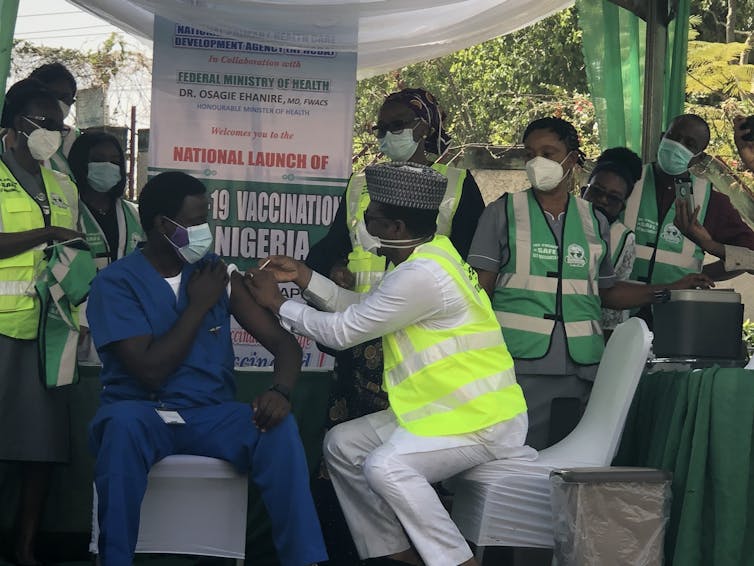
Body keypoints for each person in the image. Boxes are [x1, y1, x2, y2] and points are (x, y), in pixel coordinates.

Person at [245, 162, 533, 566]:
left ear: (395, 228)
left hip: (481, 421)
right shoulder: (430, 256)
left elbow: (343, 332)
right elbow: (364, 309)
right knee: (343, 445)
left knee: (388, 467)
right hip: (445, 410)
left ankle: (456, 561)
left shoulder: (423, 275)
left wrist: (278, 304)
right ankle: (394, 554)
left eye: (371, 217)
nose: (362, 224)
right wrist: (307, 277)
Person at [86, 172, 327, 566]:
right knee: (121, 427)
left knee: (276, 428)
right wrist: (198, 306)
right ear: (164, 225)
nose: (205, 231)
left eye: (206, 219)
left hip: (211, 414)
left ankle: (303, 560)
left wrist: (280, 392)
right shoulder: (116, 283)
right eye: (196, 222)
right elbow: (149, 371)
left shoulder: (216, 274)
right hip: (142, 411)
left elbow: (284, 346)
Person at [306, 88, 485, 564]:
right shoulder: (360, 183)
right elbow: (331, 247)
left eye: (396, 125)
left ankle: (424, 554)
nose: (386, 135)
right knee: (345, 453)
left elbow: (472, 267)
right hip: (360, 341)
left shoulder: (459, 186)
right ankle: (361, 554)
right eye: (380, 128)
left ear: (425, 127)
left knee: (406, 462)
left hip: (420, 347)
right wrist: (332, 267)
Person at [468, 117, 711, 450]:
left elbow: (607, 292)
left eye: (548, 153)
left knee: (562, 461)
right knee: (510, 457)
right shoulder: (502, 212)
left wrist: (669, 290)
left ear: (572, 159)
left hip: (580, 368)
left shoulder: (594, 221)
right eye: (530, 154)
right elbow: (478, 292)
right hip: (515, 364)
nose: (537, 162)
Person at [0, 78, 83, 566]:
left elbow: (74, 249)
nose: (53, 130)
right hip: (1, 330)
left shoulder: (63, 183)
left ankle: (26, 547)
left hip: (50, 330)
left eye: (59, 124)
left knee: (42, 447)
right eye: (44, 121)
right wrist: (47, 232)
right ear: (17, 123)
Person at [624, 113, 754, 292]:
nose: (678, 145)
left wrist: (704, 270)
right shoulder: (625, 182)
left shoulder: (711, 200)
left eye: (690, 144)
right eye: (673, 137)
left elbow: (750, 257)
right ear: (662, 138)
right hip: (619, 302)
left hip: (676, 305)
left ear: (699, 157)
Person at [68, 131, 144, 362]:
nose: (108, 166)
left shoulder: (134, 213)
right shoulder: (68, 211)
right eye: (98, 159)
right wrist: (81, 317)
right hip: (80, 322)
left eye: (115, 161)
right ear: (81, 163)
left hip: (127, 318)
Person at [581, 147, 643, 337]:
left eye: (613, 198)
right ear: (584, 190)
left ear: (622, 205)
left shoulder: (624, 238)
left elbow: (612, 303)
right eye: (596, 191)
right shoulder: (559, 221)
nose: (602, 200)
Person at [28, 62, 79, 177]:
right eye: (51, 96)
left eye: (64, 97)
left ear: (72, 102)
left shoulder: (76, 140)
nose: (57, 103)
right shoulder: (10, 139)